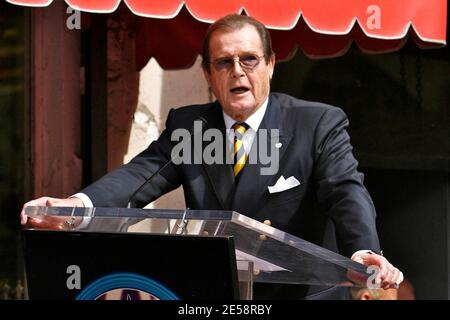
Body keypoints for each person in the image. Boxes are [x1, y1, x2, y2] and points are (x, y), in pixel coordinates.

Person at [21, 14, 403, 299]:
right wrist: (74, 206)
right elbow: (139, 176)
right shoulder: (191, 126)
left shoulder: (316, 123)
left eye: (249, 59)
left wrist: (363, 249)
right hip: (215, 298)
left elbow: (345, 191)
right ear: (208, 74)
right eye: (224, 62)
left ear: (270, 65)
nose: (238, 71)